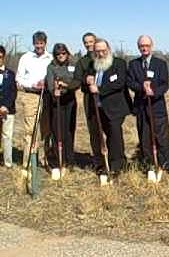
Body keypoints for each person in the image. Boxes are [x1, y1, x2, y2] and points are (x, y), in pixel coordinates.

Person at [85, 38, 131, 176]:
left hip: (115, 108)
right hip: (98, 108)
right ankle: (105, 163)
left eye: (103, 50)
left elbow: (119, 83)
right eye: (97, 51)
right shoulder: (92, 65)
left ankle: (117, 166)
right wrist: (86, 80)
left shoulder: (119, 63)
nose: (101, 53)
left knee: (114, 136)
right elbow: (86, 82)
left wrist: (98, 89)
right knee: (103, 137)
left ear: (108, 49)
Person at [127, 35, 169, 173]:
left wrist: (153, 92)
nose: (144, 48)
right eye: (141, 46)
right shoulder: (133, 64)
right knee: (145, 137)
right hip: (141, 106)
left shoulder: (160, 64)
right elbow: (130, 82)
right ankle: (149, 165)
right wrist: (142, 87)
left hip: (157, 106)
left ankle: (165, 165)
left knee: (161, 137)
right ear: (138, 47)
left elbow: (165, 84)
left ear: (151, 46)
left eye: (146, 45)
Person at [16, 31, 53, 175]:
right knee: (30, 131)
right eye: (36, 43)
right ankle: (27, 163)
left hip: (47, 97)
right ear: (33, 44)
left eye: (41, 43)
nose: (39, 46)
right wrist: (33, 84)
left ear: (45, 43)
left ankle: (44, 160)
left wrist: (47, 83)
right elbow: (19, 79)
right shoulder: (26, 57)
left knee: (46, 131)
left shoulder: (50, 58)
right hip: (31, 96)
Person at [67, 32, 99, 168]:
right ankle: (98, 160)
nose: (88, 44)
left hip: (106, 96)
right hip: (89, 97)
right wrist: (64, 86)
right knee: (94, 129)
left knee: (109, 128)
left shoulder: (104, 56)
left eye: (91, 41)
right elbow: (77, 80)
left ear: (95, 41)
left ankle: (113, 158)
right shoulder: (82, 62)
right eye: (86, 42)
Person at [45, 43, 77, 178]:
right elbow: (51, 82)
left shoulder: (72, 65)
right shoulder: (51, 67)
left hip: (70, 101)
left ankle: (69, 161)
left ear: (67, 53)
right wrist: (54, 90)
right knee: (58, 131)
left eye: (63, 53)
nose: (61, 56)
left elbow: (75, 82)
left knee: (69, 131)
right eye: (58, 54)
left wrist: (65, 85)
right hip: (56, 102)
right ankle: (60, 161)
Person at [0, 45, 17, 168]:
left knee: (7, 136)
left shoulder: (10, 74)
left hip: (8, 110)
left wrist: (5, 106)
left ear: (4, 57)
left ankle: (8, 162)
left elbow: (13, 92)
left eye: (0, 57)